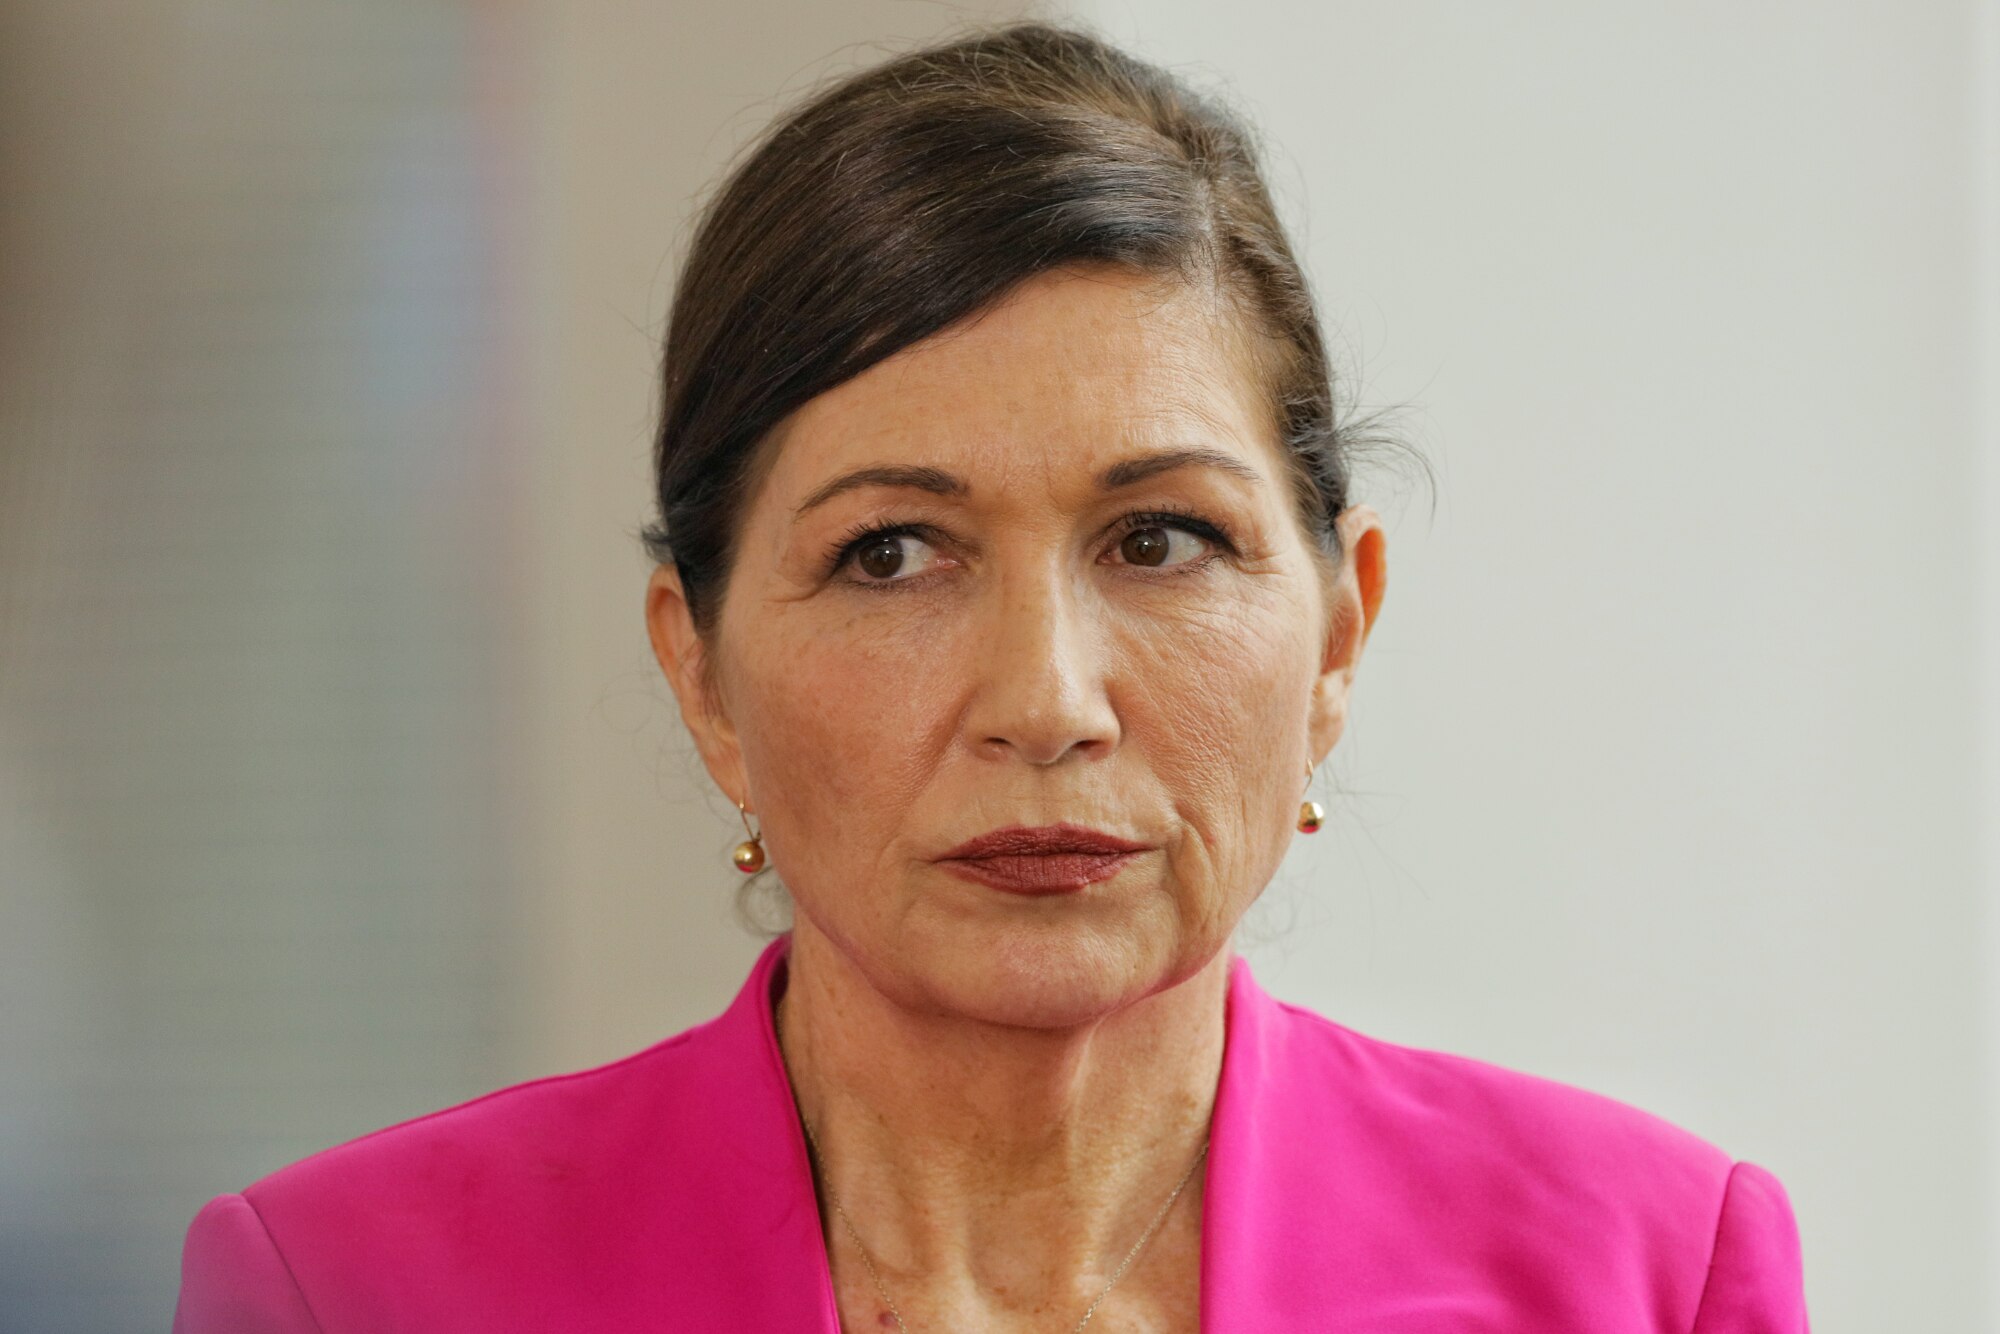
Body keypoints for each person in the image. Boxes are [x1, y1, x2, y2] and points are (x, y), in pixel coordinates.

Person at [172, 19, 1809, 1332]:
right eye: (893, 553)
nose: (1047, 698)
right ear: (703, 675)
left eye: (1160, 539)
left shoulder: (1651, 1277)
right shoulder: (348, 1290)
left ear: (1337, 630)